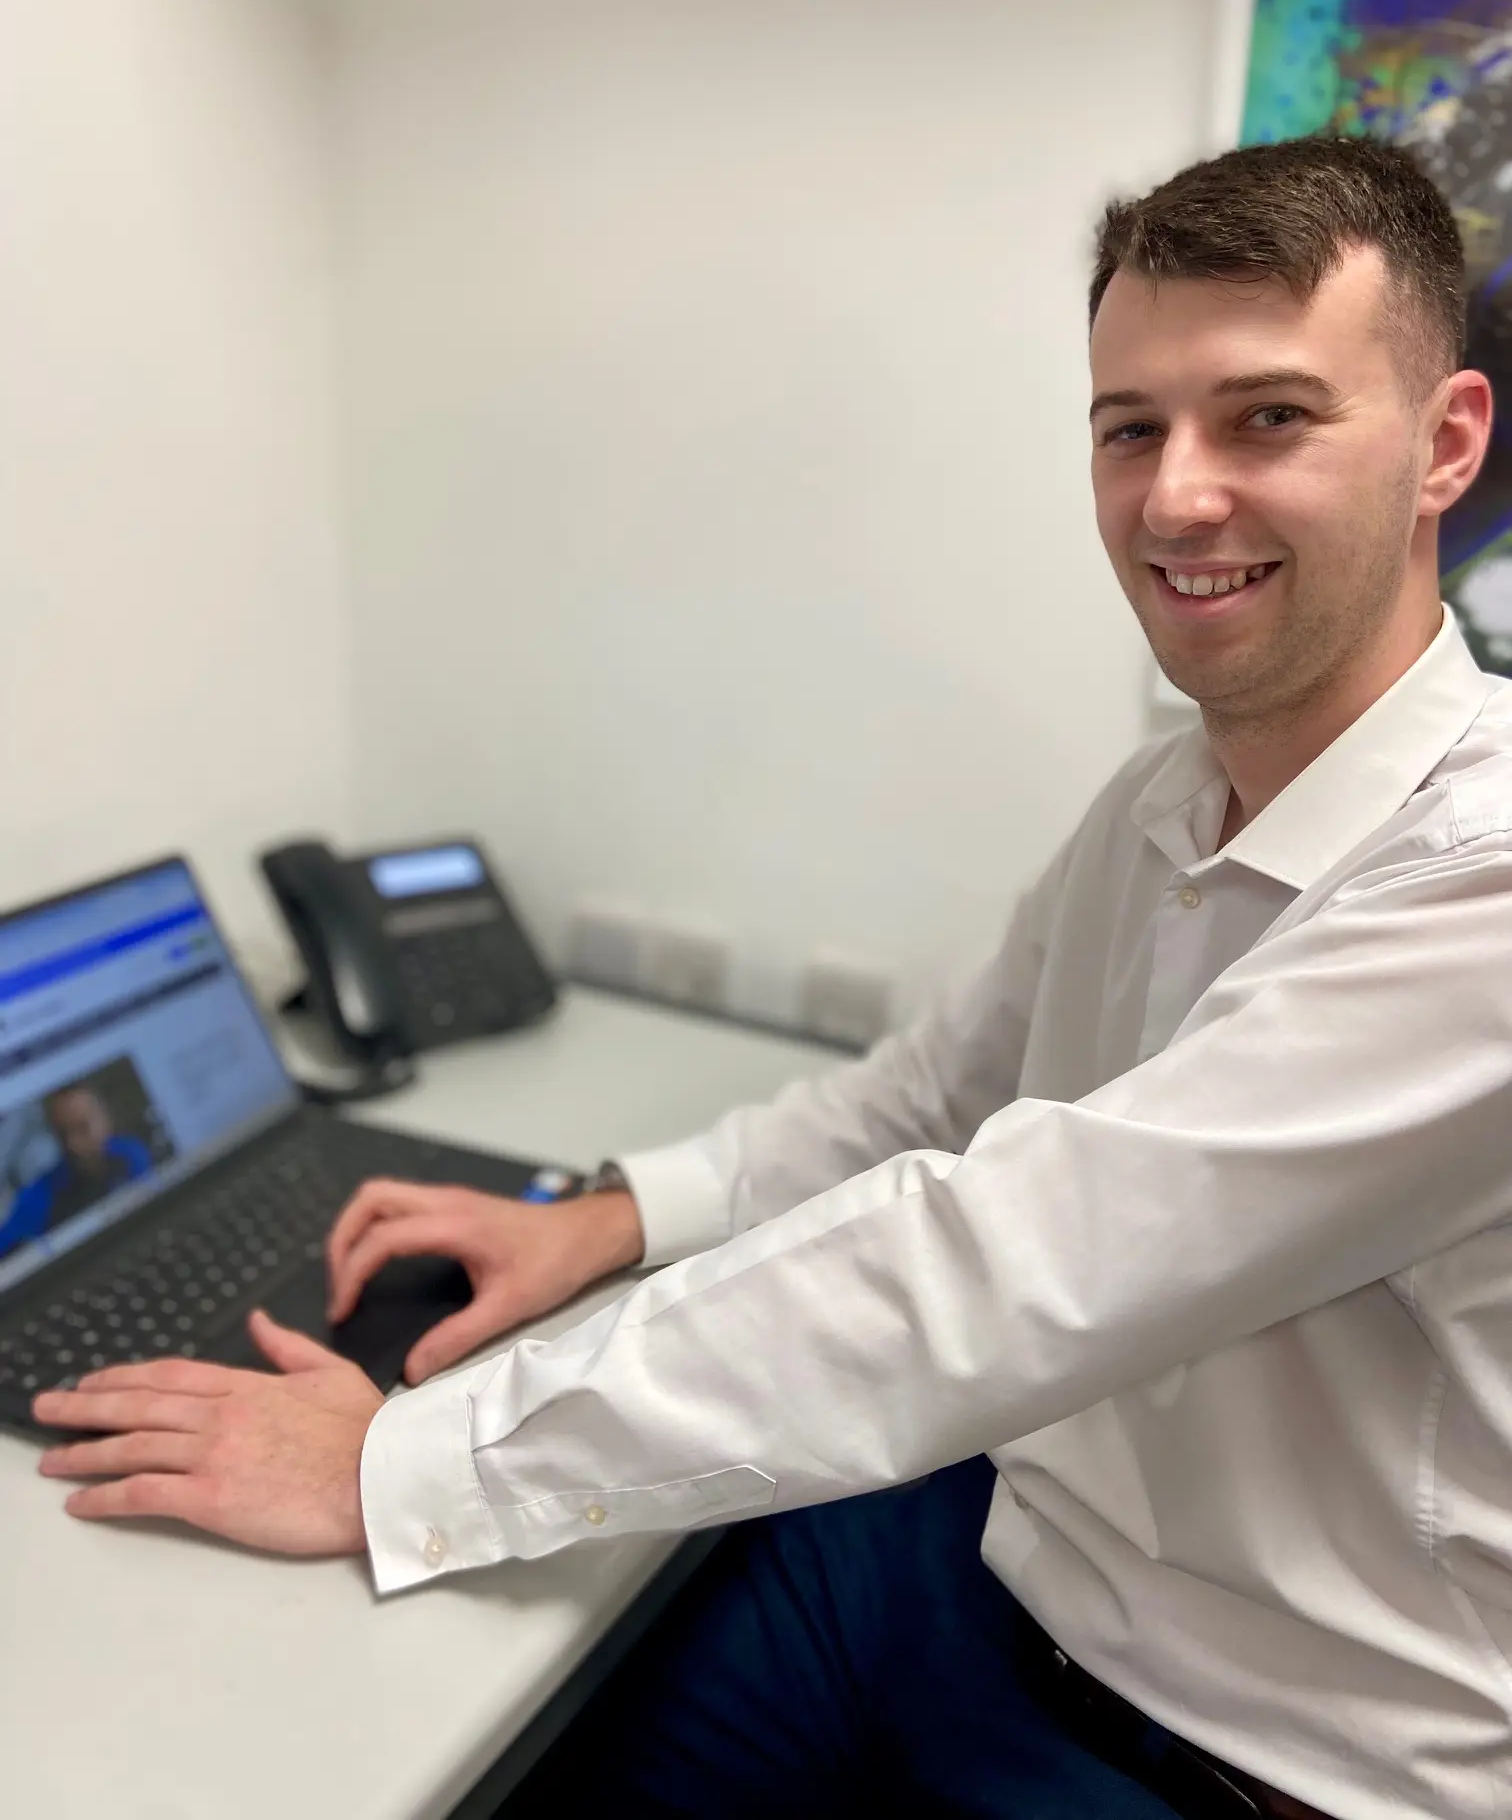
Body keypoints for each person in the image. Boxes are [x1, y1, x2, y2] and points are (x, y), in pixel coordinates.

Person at [30, 135, 1512, 1820]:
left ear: (1443, 443)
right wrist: (605, 1216)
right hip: (984, 1569)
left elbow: (998, 1265)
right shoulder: (1165, 800)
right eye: (1129, 428)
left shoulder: (1479, 882)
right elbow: (928, 1101)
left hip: (1261, 1766)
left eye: (1268, 417)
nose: (1176, 496)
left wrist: (398, 1463)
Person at [0, 1086, 153, 1258]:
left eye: (83, 1128)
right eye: (63, 1134)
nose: (73, 1145)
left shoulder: (132, 1154)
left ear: (106, 1120)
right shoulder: (45, 1191)